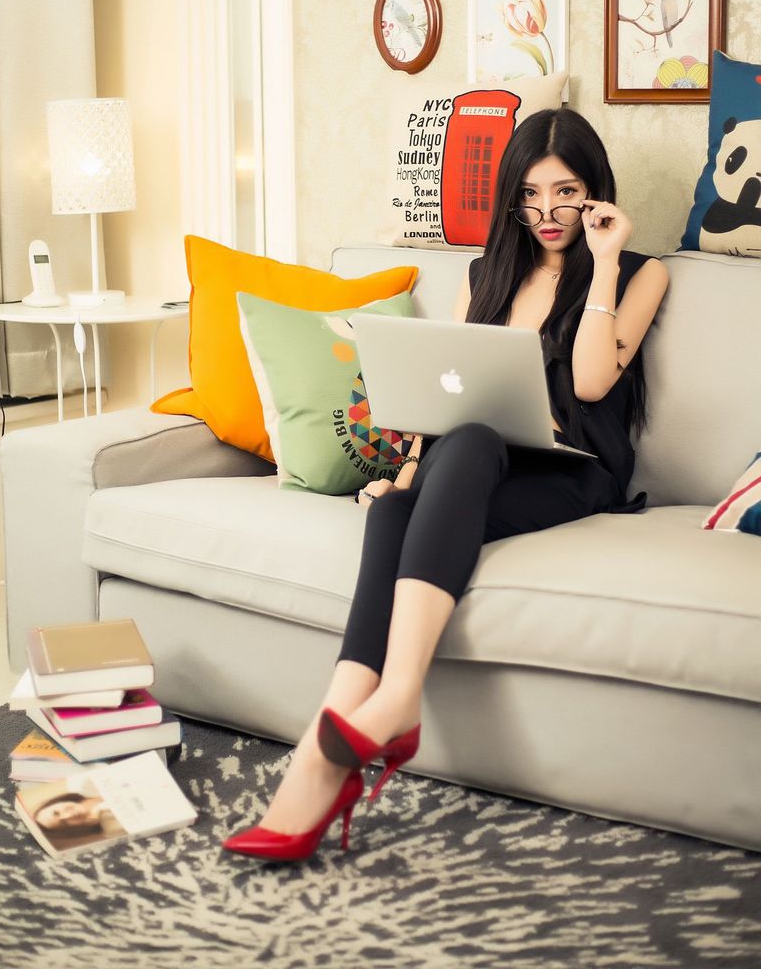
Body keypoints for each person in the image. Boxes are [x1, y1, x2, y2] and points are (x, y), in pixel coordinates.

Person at [222, 107, 669, 863]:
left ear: (594, 191)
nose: (547, 212)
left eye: (565, 193)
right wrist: (404, 474)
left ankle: (387, 708)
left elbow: (593, 383)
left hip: (575, 470)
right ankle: (332, 732)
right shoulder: (484, 275)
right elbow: (449, 393)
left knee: (469, 443)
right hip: (482, 457)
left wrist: (604, 260)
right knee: (399, 503)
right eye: (529, 195)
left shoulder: (638, 271)